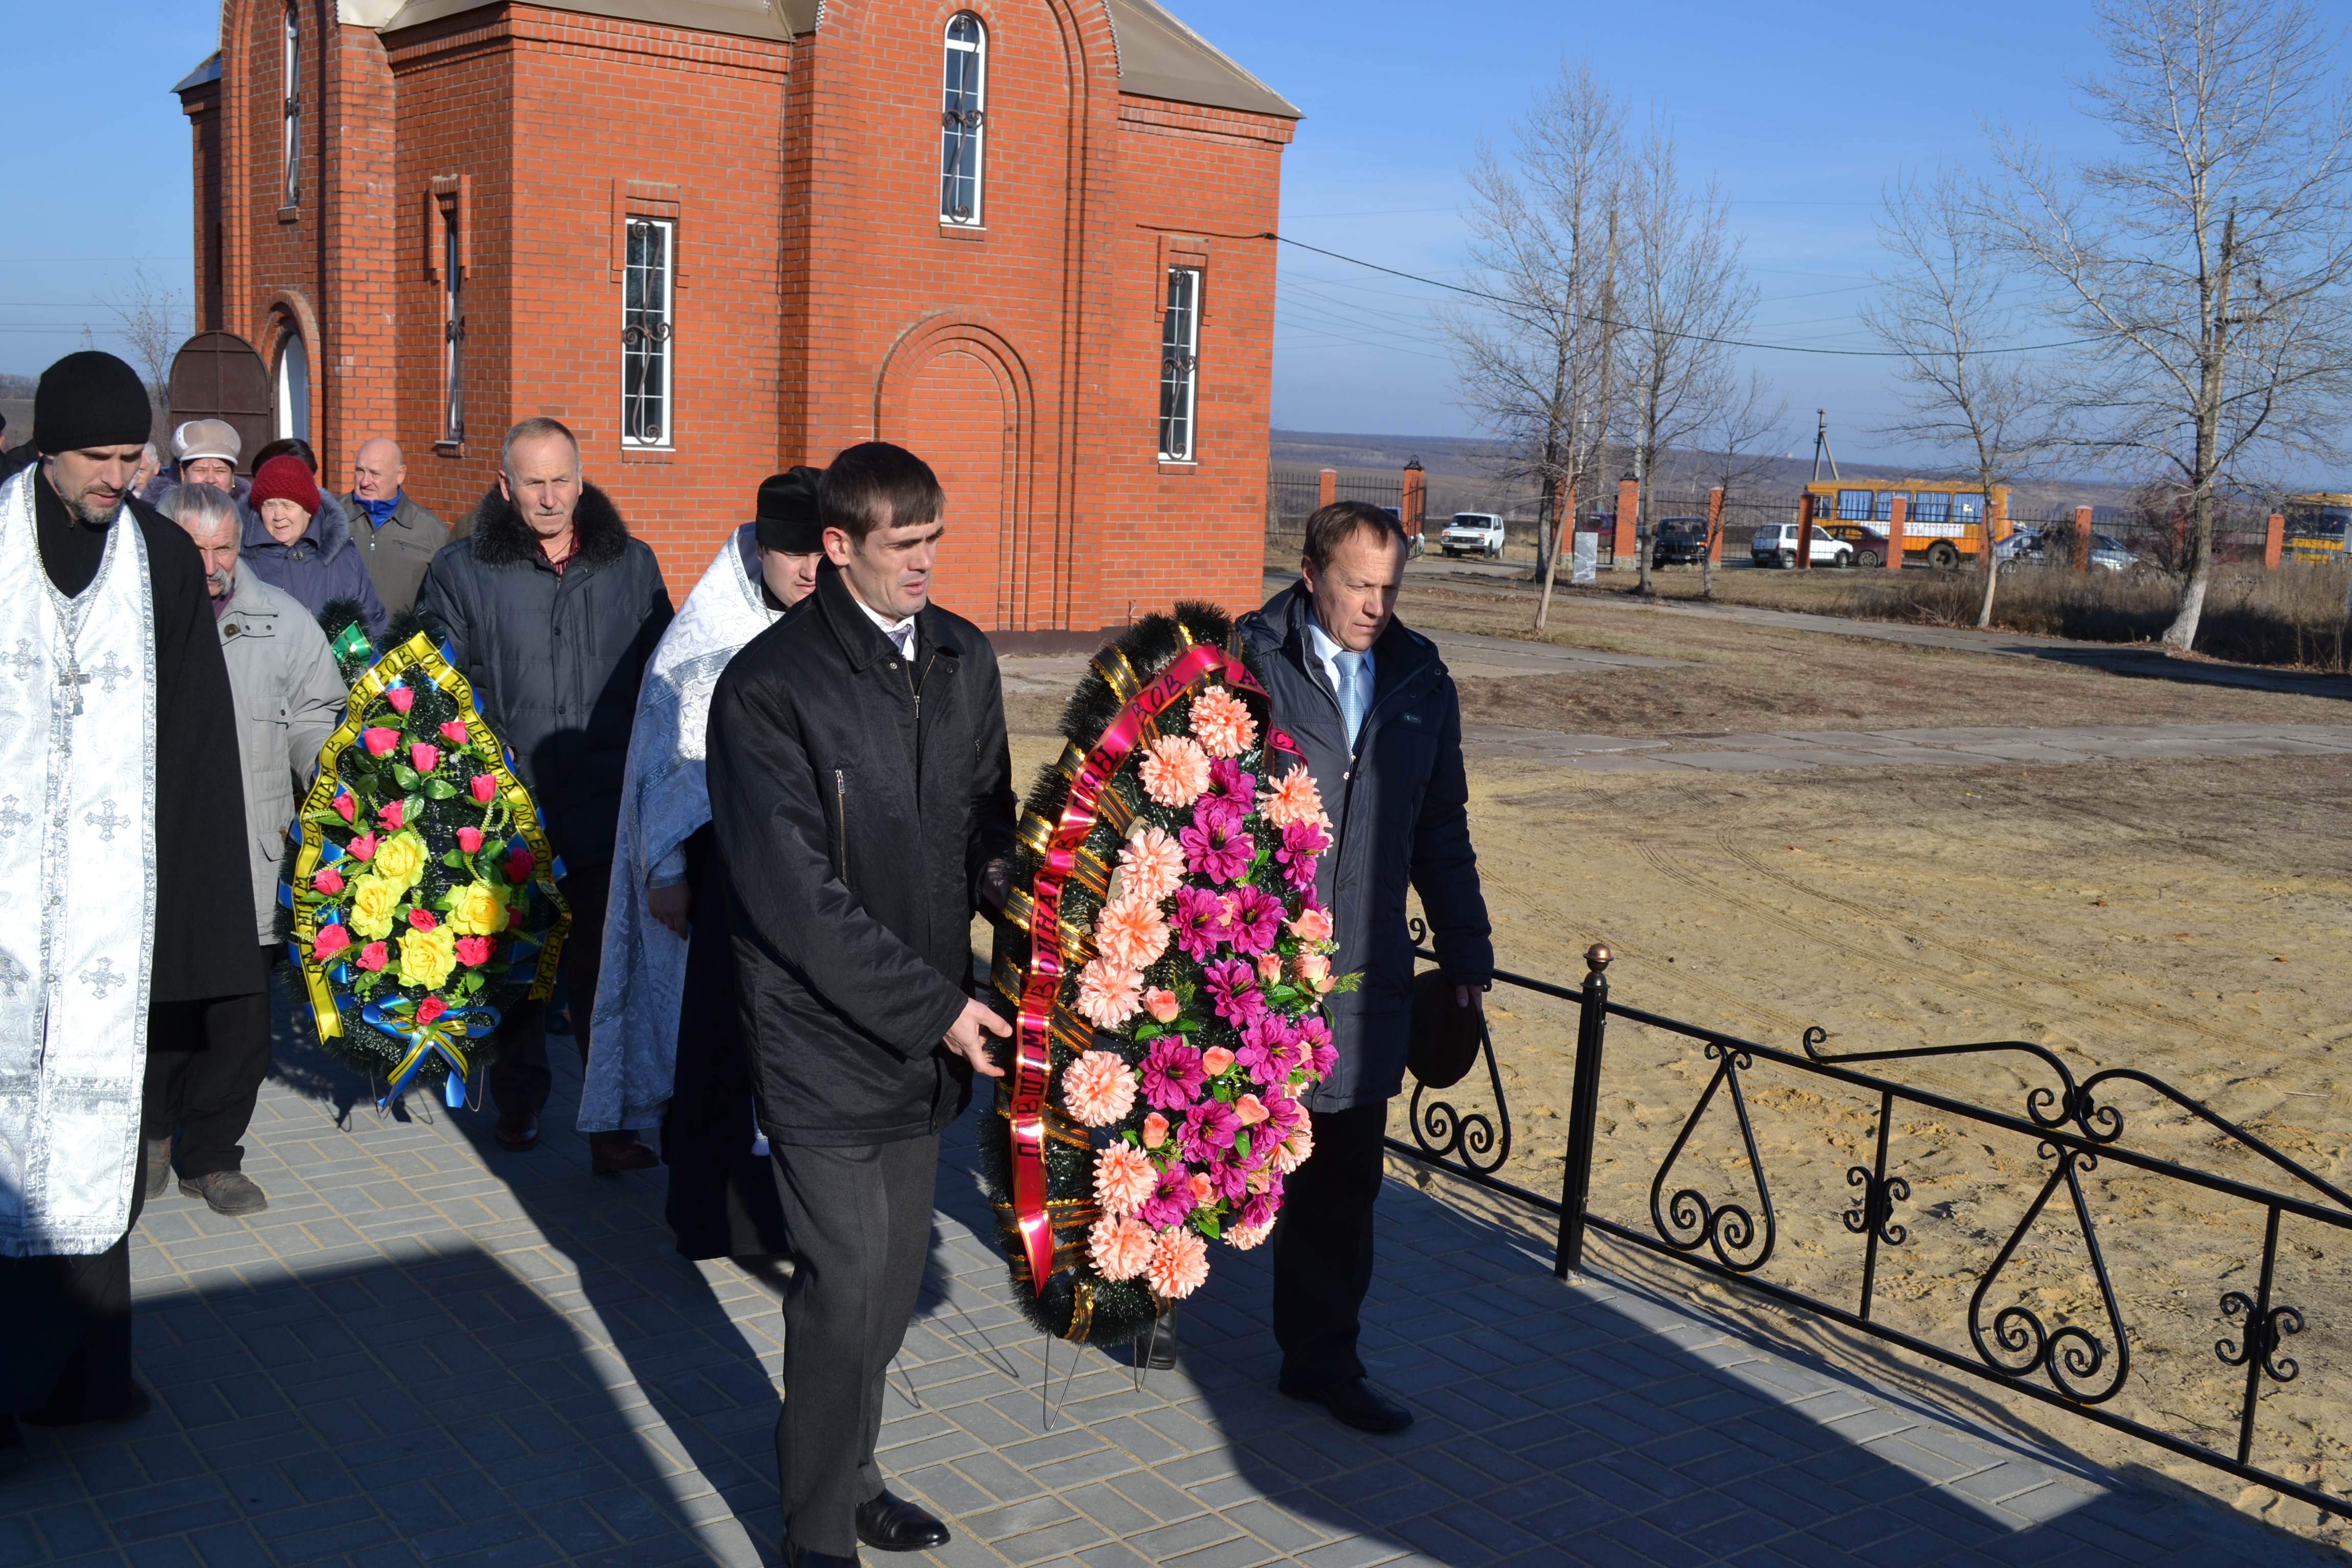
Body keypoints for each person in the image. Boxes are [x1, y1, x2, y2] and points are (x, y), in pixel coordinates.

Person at [707, 441, 1016, 1567]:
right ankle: (817, 1534)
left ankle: (855, 1468)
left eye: (935, 539)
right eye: (903, 545)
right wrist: (936, 1008)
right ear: (837, 547)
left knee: (886, 1298)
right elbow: (796, 900)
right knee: (842, 1289)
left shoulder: (964, 658)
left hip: (929, 1038)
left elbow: (987, 816)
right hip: (817, 1038)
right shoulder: (767, 688)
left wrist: (1012, 882)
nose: (926, 563)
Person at [0, 352, 256, 1461]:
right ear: (46, 447)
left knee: (93, 1141)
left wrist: (198, 938)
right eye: (100, 459)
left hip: (111, 918)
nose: (123, 476)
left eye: (133, 456)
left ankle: (80, 1380)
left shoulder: (156, 558)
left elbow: (197, 751)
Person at [1235, 499, 1493, 1435]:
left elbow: (1441, 828)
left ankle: (1322, 1361)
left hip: (1359, 979)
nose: (1375, 606)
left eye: (1390, 587)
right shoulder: (1244, 664)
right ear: (1310, 574)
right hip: (1245, 978)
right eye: (1358, 585)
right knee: (1200, 1148)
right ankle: (1141, 1303)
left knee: (1339, 1187)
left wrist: (1466, 953)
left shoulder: (1420, 677)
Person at [417, 418, 672, 1169]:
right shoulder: (463, 570)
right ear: (506, 487)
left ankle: (611, 1125)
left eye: (562, 479)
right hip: (510, 811)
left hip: (605, 805)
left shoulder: (631, 564)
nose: (551, 496)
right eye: (534, 481)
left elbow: (666, 680)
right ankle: (522, 1102)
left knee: (604, 975)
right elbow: (438, 684)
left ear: (582, 481)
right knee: (519, 974)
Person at [584, 469, 824, 1258]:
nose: (808, 572)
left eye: (820, 553)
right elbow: (666, 766)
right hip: (721, 873)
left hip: (811, 877)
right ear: (759, 546)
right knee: (720, 1045)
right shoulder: (705, 637)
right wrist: (666, 873)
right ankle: (709, 1217)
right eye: (791, 554)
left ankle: (791, 1218)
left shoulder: (838, 618)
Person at [143, 484, 347, 1216]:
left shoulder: (282, 623)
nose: (211, 564)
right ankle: (149, 1137)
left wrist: (336, 774)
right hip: (158, 854)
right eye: (193, 548)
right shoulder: (133, 620)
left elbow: (319, 716)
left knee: (238, 1022)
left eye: (224, 547)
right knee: (160, 1009)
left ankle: (213, 1155)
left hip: (250, 854)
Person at [243, 454, 388, 639]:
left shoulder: (344, 555)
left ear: (308, 510)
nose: (278, 516)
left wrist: (361, 666)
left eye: (287, 505)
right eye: (269, 506)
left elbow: (374, 623)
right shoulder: (242, 561)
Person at [343, 436, 448, 617]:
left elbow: (445, 601)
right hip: (336, 643)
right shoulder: (329, 517)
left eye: (375, 474)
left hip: (400, 642)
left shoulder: (430, 529)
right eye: (360, 471)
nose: (365, 482)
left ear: (400, 475)